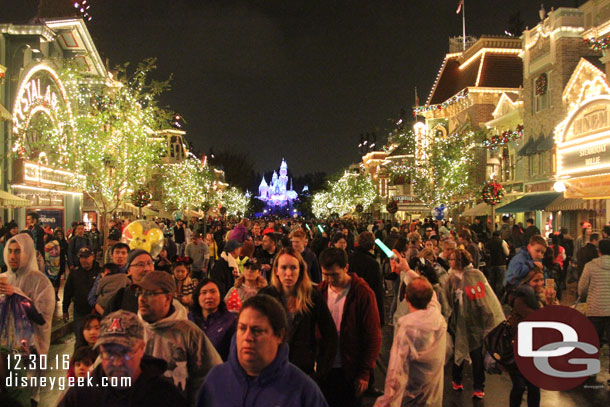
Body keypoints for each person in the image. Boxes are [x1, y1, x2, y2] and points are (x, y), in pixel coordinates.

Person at [196, 294, 328, 407]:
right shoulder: (216, 380)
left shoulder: (302, 391)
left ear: (279, 336)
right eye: (242, 328)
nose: (247, 337)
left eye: (257, 331)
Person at [58, 310, 189, 407]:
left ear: (142, 349)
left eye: (125, 352)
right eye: (108, 353)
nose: (116, 362)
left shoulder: (165, 396)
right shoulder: (80, 395)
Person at [136, 271, 222, 403]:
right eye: (140, 292)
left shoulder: (189, 333)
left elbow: (209, 380)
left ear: (168, 298)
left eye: (150, 293)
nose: (142, 298)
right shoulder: (132, 331)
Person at [259, 247, 337, 382]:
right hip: (271, 369)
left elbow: (330, 336)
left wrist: (321, 373)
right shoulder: (265, 297)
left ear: (301, 270)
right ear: (276, 270)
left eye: (293, 268)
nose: (288, 273)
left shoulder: (313, 297)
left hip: (303, 371)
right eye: (283, 268)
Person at [318, 248, 382, 407]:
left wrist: (365, 372)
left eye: (334, 274)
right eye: (325, 275)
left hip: (350, 369)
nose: (329, 279)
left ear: (346, 268)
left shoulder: (362, 293)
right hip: (324, 368)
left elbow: (373, 335)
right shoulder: (320, 291)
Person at [374, 277, 447, 407]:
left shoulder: (407, 329)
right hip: (434, 394)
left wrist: (387, 400)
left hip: (412, 396)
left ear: (406, 298)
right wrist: (407, 270)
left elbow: (396, 370)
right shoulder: (438, 318)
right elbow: (433, 300)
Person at [1, 233, 55, 406]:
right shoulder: (3, 279)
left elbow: (41, 319)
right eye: (9, 251)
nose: (12, 257)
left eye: (17, 251)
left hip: (29, 353)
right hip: (4, 352)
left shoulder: (41, 282)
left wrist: (15, 294)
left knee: (22, 396)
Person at [445, 248, 504, 399]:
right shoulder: (450, 277)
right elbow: (445, 298)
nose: (450, 262)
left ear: (459, 261)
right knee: (458, 351)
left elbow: (484, 298)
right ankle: (456, 380)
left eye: (452, 259)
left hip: (475, 323)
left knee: (476, 355)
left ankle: (479, 386)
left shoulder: (476, 275)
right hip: (457, 321)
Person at [507, 268, 558, 407]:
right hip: (518, 348)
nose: (540, 283)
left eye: (542, 279)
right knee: (519, 385)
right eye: (536, 280)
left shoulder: (542, 297)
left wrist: (551, 302)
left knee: (534, 387)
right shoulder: (521, 299)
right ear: (526, 282)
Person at [577, 238, 610, 384]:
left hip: (595, 309)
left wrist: (583, 296)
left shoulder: (590, 266)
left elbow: (582, 288)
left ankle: (591, 371)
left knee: (593, 341)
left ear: (599, 251)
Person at [188, 278, 237, 361]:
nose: (209, 296)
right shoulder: (189, 319)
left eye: (213, 292)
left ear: (220, 295)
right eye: (204, 292)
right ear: (198, 297)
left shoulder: (230, 321)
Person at [348, 231, 384, 325]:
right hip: (367, 305)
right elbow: (377, 290)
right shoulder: (373, 264)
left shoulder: (349, 258)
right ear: (372, 245)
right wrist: (380, 317)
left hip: (350, 303)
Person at [62, 247, 100, 335]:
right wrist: (65, 310)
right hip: (79, 311)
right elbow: (68, 291)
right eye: (81, 257)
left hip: (96, 311)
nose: (84, 260)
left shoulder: (100, 272)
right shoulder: (74, 273)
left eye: (86, 257)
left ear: (92, 257)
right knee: (79, 335)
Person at [105, 249, 155, 315]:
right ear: (129, 270)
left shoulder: (161, 293)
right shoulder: (120, 297)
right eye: (140, 264)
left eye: (149, 263)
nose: (147, 269)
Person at [485, 230, 510, 297]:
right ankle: (498, 297)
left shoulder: (488, 242)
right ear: (499, 236)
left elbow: (486, 252)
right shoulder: (502, 242)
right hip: (501, 263)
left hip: (491, 264)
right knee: (500, 282)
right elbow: (507, 253)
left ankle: (491, 296)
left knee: (492, 281)